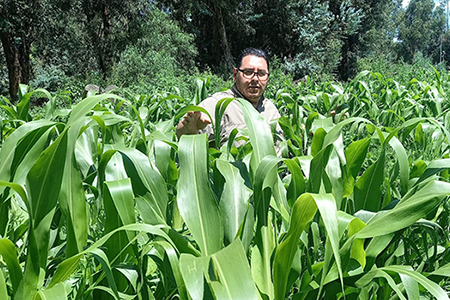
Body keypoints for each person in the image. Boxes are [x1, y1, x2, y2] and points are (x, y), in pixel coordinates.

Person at [176, 48, 281, 147]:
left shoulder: (270, 109)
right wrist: (190, 130)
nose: (255, 79)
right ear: (235, 75)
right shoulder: (219, 104)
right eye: (248, 72)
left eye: (261, 74)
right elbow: (183, 133)